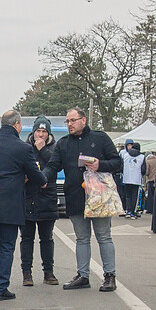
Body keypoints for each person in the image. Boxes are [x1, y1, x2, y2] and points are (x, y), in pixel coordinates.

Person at [0, 109, 46, 299]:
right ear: (17, 125)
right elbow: (35, 174)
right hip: (10, 207)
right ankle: (0, 288)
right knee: (6, 247)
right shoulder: (22, 148)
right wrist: (42, 179)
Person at [53, 108, 121, 291]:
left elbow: (117, 162)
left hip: (98, 197)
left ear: (83, 120)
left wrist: (101, 165)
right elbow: (52, 165)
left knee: (104, 237)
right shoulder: (63, 143)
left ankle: (109, 275)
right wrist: (39, 178)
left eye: (72, 120)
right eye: (67, 121)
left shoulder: (100, 138)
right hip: (75, 197)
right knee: (82, 238)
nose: (69, 124)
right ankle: (83, 275)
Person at [21, 116, 60, 286]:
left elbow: (56, 165)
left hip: (47, 197)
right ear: (33, 132)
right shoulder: (25, 147)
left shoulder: (54, 147)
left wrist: (43, 150)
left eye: (44, 132)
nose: (41, 135)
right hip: (28, 197)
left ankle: (48, 272)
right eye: (38, 131)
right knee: (27, 238)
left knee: (47, 238)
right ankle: (26, 273)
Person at [119, 139, 145, 218]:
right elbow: (143, 170)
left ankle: (128, 211)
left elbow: (121, 167)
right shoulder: (142, 157)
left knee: (127, 195)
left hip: (127, 178)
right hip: (136, 179)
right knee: (134, 196)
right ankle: (133, 212)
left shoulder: (125, 155)